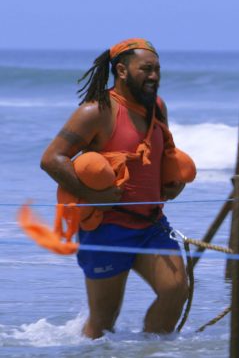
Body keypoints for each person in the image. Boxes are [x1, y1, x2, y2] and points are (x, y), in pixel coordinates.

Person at [40, 38, 190, 338]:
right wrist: (92, 195)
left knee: (176, 290)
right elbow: (52, 159)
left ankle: (152, 351)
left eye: (157, 69)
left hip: (151, 224)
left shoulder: (157, 108)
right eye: (146, 69)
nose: (154, 76)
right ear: (121, 70)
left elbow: (159, 155)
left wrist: (172, 184)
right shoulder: (96, 111)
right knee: (104, 321)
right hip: (105, 228)